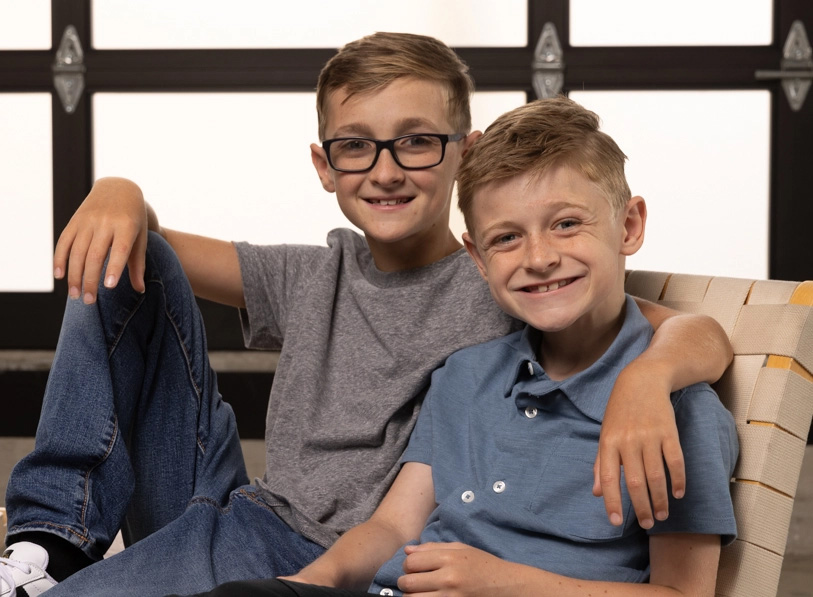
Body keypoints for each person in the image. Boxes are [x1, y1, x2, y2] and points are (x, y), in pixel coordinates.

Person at [0, 34, 731, 597]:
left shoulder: (503, 277)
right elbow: (147, 246)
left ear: (462, 154)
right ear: (326, 167)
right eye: (357, 147)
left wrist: (650, 376)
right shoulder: (316, 270)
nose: (385, 169)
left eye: (415, 140)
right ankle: (51, 537)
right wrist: (118, 189)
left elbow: (687, 328)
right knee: (125, 252)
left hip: (347, 551)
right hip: (241, 507)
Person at [183, 96, 738, 597]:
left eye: (567, 224)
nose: (539, 256)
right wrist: (310, 586)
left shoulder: (678, 413)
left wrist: (506, 584)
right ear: (477, 258)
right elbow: (395, 526)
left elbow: (683, 594)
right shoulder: (466, 375)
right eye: (506, 238)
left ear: (630, 225)